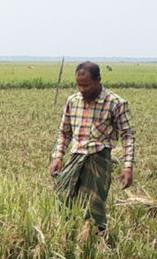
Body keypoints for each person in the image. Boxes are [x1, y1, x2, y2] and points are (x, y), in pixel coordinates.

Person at [50, 61, 136, 233]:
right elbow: (64, 132)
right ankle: (69, 236)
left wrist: (128, 167)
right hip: (75, 157)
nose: (82, 89)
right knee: (62, 196)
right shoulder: (73, 101)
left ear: (98, 80)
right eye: (79, 85)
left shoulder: (116, 103)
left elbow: (128, 136)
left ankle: (97, 241)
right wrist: (58, 157)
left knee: (93, 206)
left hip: (99, 159)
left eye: (87, 85)